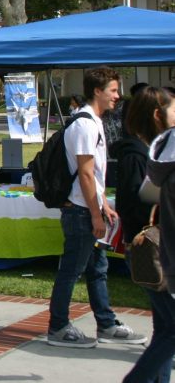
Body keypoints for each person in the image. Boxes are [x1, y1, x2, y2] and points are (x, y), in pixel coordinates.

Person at [46, 66, 145, 348]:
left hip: (87, 207)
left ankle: (106, 323)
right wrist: (94, 213)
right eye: (113, 90)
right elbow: (85, 173)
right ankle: (58, 327)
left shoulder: (94, 122)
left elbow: (93, 174)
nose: (118, 96)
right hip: (79, 211)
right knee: (72, 270)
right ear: (97, 91)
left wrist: (102, 204)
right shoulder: (85, 125)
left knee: (97, 269)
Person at [118, 87, 175, 382]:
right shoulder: (138, 155)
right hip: (152, 250)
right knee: (171, 331)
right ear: (157, 114)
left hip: (158, 248)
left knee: (166, 330)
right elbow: (130, 202)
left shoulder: (156, 152)